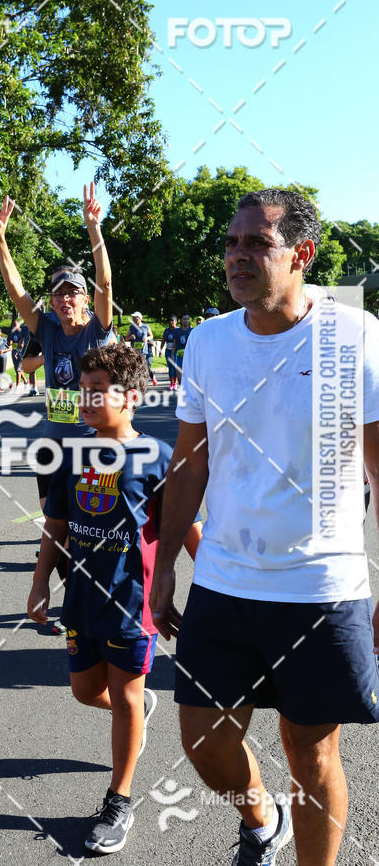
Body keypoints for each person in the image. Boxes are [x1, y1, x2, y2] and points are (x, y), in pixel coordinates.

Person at [150, 189, 379, 866]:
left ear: (302, 254)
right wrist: (164, 569)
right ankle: (261, 818)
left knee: (310, 754)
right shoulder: (208, 340)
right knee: (203, 739)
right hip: (225, 579)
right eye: (230, 243)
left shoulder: (351, 335)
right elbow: (189, 466)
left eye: (257, 243)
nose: (237, 256)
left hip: (319, 585)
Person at [27, 344, 202, 853]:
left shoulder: (158, 457)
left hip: (132, 603)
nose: (84, 400)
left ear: (130, 397)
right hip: (80, 599)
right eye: (82, 390)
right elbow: (56, 523)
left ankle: (118, 800)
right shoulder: (73, 454)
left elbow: (190, 534)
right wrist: (41, 581)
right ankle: (136, 709)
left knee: (124, 696)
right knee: (85, 691)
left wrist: (212, 595)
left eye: (96, 392)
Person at [0, 184, 114, 611]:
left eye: (71, 292)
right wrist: (0, 238)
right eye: (58, 292)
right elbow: (15, 288)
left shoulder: (98, 329)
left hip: (92, 445)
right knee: (54, 528)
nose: (63, 298)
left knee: (86, 527)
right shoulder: (45, 329)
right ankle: (74, 599)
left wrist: (94, 231)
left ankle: (96, 596)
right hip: (51, 445)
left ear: (84, 299)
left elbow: (107, 283)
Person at [125, 312, 157, 385]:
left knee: (144, 366)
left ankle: (151, 377)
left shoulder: (146, 326)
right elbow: (126, 338)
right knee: (136, 366)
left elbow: (151, 336)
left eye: (134, 317)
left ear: (139, 318)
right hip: (134, 351)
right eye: (133, 317)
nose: (133, 318)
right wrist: (130, 337)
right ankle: (138, 381)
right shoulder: (131, 327)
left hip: (143, 351)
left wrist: (147, 338)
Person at [20, 322, 41, 396]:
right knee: (31, 370)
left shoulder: (39, 324)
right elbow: (21, 340)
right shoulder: (24, 328)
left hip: (38, 346)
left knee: (47, 367)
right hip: (28, 349)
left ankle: (35, 388)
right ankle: (33, 388)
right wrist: (18, 350)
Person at [7, 318, 28, 390]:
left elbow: (23, 343)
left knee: (18, 370)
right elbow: (8, 343)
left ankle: (18, 387)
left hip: (21, 352)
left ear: (19, 325)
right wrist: (9, 343)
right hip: (13, 352)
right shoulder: (11, 333)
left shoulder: (22, 332)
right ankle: (25, 381)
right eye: (13, 325)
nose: (14, 326)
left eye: (16, 325)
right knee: (17, 370)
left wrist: (20, 346)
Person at [174, 313, 192, 385]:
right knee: (179, 377)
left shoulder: (192, 331)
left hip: (190, 357)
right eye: (184, 319)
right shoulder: (177, 331)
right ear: (181, 320)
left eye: (187, 319)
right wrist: (172, 355)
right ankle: (182, 389)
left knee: (189, 377)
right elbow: (174, 344)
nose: (186, 320)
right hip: (179, 356)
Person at [162, 315, 179, 389]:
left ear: (176, 321)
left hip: (176, 352)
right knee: (170, 368)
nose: (171, 322)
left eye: (173, 320)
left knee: (174, 367)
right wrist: (160, 349)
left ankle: (175, 383)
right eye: (170, 320)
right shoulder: (167, 330)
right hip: (168, 351)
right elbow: (163, 340)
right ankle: (171, 383)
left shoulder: (178, 330)